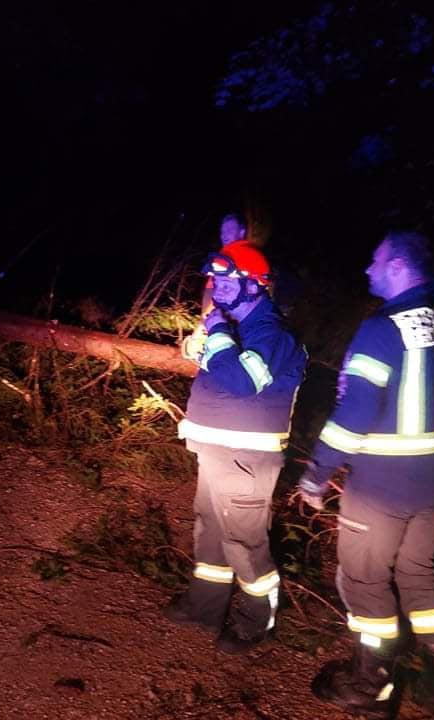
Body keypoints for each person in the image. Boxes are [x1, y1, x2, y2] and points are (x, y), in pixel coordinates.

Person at [298, 231, 434, 719]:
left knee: (365, 579)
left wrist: (317, 472)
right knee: (419, 578)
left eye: (375, 261)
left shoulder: (381, 329)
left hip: (381, 487)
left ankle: (371, 686)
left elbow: (357, 411)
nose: (367, 270)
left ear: (397, 265)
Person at [168, 241, 307, 655]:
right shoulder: (228, 326)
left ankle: (255, 620)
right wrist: (206, 344)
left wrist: (217, 339)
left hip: (246, 461)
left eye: (230, 279)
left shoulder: (273, 335)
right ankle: (205, 606)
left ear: (257, 285)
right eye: (216, 279)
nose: (219, 286)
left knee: (244, 543)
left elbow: (243, 381)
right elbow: (207, 359)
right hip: (214, 450)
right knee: (209, 530)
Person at [184, 213, 252, 364]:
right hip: (214, 320)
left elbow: (223, 296)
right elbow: (211, 291)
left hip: (227, 323)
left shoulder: (243, 258)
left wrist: (205, 324)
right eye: (222, 231)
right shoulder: (223, 256)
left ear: (241, 232)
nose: (224, 235)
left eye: (229, 230)